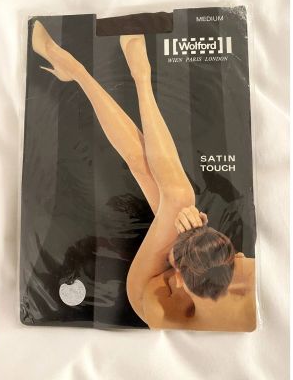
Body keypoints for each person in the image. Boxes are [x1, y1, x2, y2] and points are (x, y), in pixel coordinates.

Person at [32, 21, 256, 331]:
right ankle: (81, 72)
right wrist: (198, 232)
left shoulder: (169, 305)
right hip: (200, 271)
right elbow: (226, 258)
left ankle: (134, 77)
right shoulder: (262, 283)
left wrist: (186, 252)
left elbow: (181, 302)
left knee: (178, 196)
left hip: (153, 295)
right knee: (147, 170)